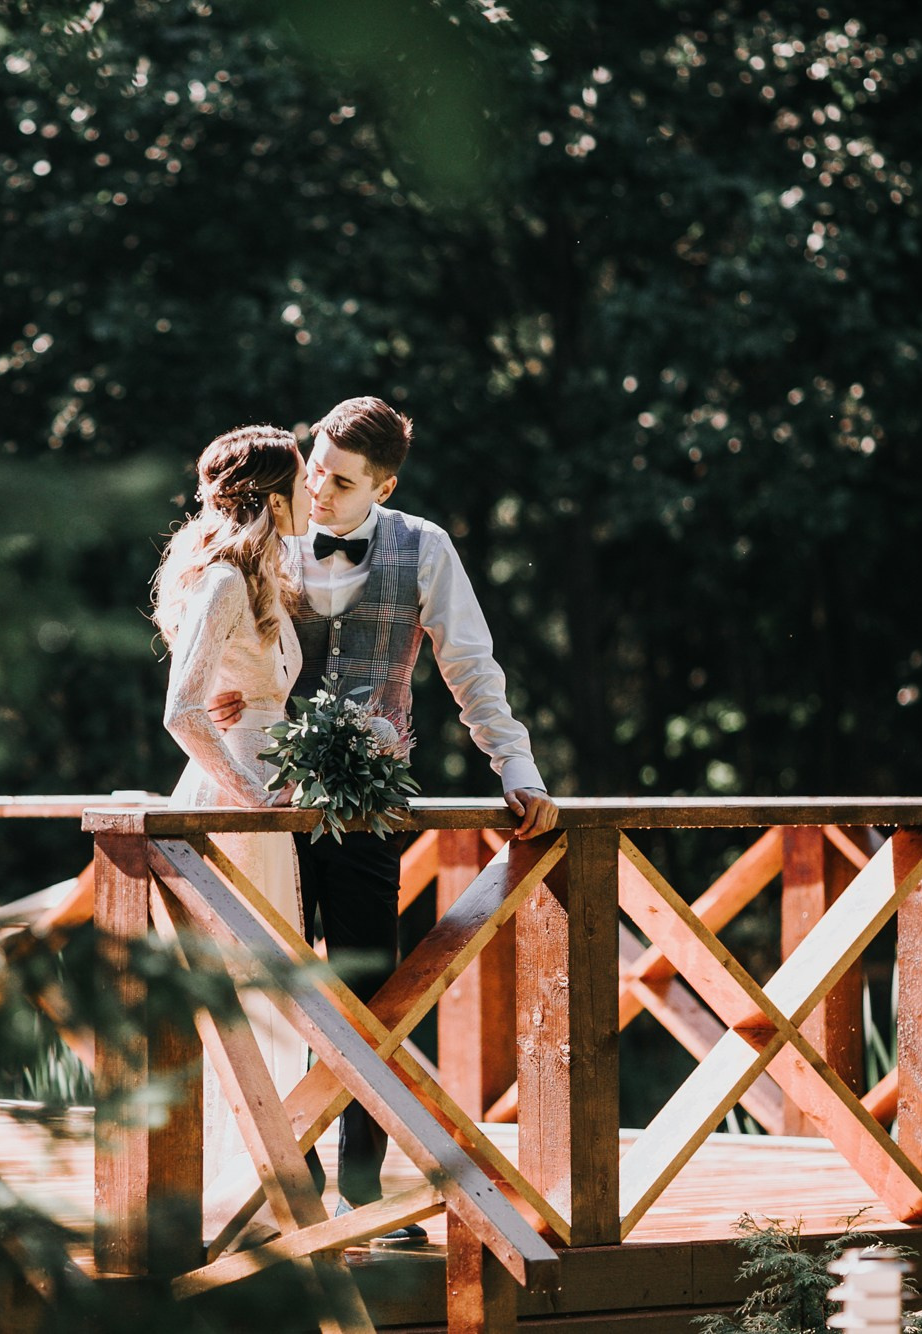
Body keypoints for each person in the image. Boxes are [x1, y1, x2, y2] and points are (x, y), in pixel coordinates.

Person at [209, 396, 559, 1242]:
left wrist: (517, 769)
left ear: (386, 484)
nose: (315, 492)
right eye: (313, 470)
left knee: (371, 996)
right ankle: (287, 1182)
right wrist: (225, 694)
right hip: (262, 805)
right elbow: (208, 628)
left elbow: (471, 668)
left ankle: (366, 1201)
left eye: (338, 480)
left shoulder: (424, 548)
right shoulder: (268, 537)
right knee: (265, 989)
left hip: (371, 808)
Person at [151, 423, 313, 1232]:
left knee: (273, 998)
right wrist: (250, 792)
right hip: (235, 806)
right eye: (303, 484)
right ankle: (234, 1197)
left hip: (266, 801)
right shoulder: (221, 582)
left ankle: (273, 1193)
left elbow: (236, 695)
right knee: (242, 996)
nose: (314, 497)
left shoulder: (265, 580)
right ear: (274, 498)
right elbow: (183, 711)